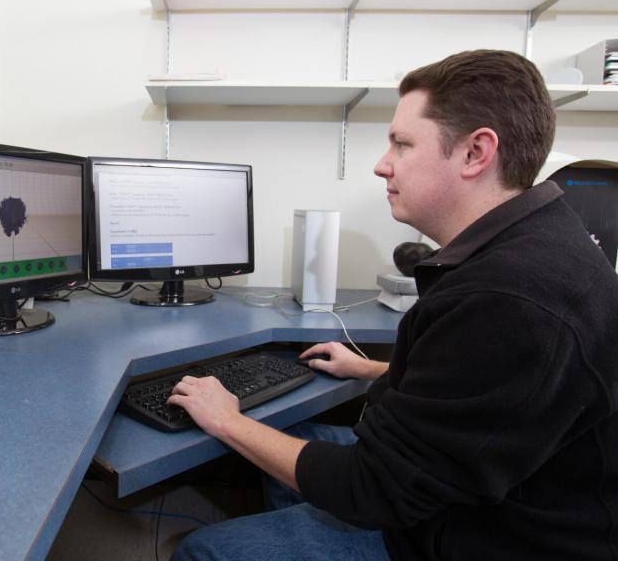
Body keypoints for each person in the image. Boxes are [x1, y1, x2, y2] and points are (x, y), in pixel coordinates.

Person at [168, 49, 618, 561]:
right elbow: (487, 393)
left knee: (207, 550)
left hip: (484, 534)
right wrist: (370, 368)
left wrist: (226, 418)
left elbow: (372, 489)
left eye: (402, 144)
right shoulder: (540, 241)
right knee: (292, 434)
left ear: (475, 152)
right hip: (480, 486)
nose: (383, 165)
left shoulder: (509, 297)